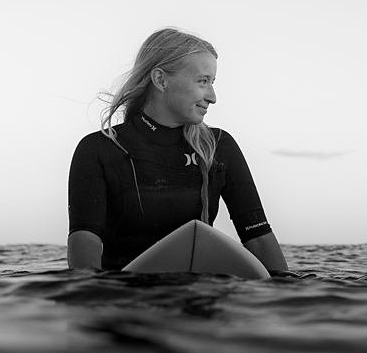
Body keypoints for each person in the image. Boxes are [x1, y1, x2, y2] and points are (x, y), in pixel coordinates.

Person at [67, 28, 290, 273]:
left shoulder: (218, 146)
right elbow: (85, 240)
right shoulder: (100, 149)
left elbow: (257, 235)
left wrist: (290, 302)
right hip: (126, 297)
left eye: (212, 83)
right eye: (203, 81)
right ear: (161, 79)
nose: (212, 96)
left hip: (199, 295)